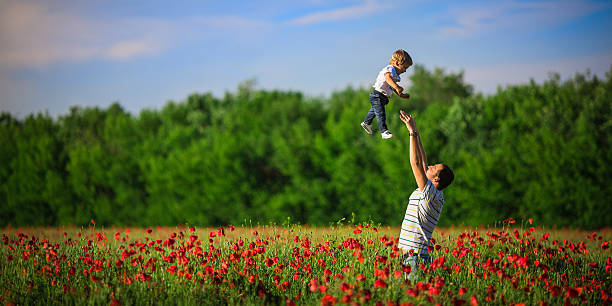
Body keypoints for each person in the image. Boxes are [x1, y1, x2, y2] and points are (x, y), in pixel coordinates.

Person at [398, 110, 454, 280]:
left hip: (414, 257)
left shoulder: (429, 194)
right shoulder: (436, 194)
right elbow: (422, 162)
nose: (429, 166)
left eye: (434, 167)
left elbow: (415, 164)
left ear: (436, 179)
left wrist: (412, 133)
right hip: (416, 255)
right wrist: (417, 133)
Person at [361, 49, 412, 139]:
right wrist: (397, 87)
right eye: (404, 67)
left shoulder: (395, 75)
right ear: (396, 62)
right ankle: (384, 132)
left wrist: (401, 94)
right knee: (381, 114)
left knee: (374, 111)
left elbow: (391, 87)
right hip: (377, 95)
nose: (405, 71)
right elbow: (388, 79)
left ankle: (366, 123)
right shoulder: (390, 69)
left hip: (382, 97)